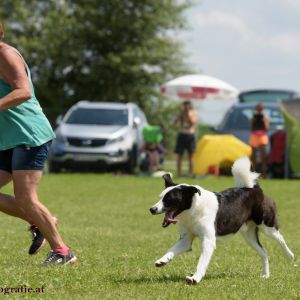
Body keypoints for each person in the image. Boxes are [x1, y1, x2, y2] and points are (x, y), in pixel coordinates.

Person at [0, 21, 76, 266]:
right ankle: (42, 222)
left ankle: (63, 252)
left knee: (25, 198)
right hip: (9, 139)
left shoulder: (5, 54)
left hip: (29, 134)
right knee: (27, 202)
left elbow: (23, 91)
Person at [174, 100, 198, 177]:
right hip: (182, 134)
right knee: (179, 155)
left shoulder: (193, 112)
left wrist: (188, 114)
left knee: (191, 156)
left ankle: (190, 173)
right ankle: (179, 173)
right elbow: (175, 122)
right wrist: (181, 114)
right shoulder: (181, 113)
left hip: (190, 135)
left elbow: (193, 123)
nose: (186, 107)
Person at [249, 102, 270, 177]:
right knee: (253, 156)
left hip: (262, 136)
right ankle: (253, 173)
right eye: (258, 107)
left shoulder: (265, 117)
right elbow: (251, 127)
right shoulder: (253, 117)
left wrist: (264, 121)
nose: (260, 109)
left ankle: (264, 173)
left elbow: (267, 127)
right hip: (254, 136)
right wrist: (253, 120)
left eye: (261, 107)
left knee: (263, 157)